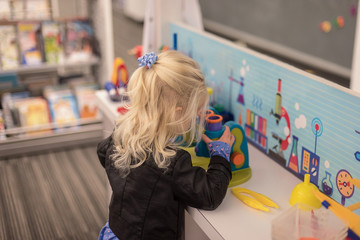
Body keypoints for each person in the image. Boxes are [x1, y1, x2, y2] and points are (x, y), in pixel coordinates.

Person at [97, 50, 234, 240]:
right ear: (177, 113)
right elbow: (210, 195)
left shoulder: (120, 136)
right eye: (195, 113)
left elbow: (103, 153)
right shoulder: (172, 162)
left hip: (115, 232)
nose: (195, 119)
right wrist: (221, 154)